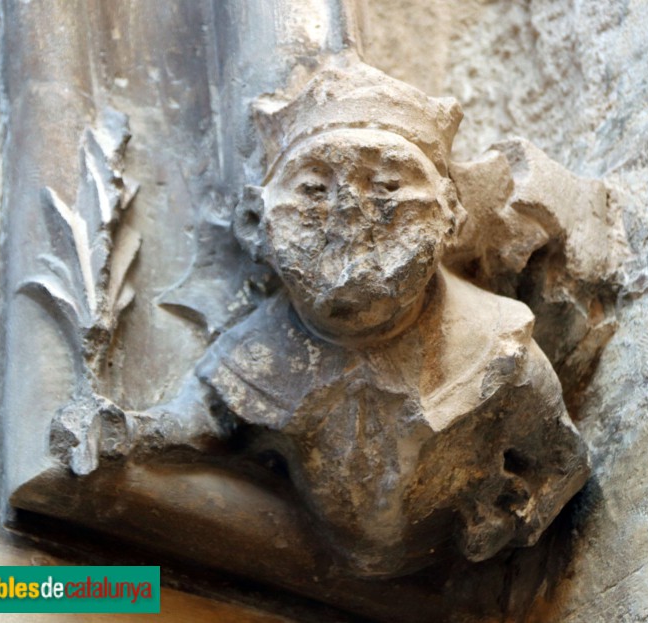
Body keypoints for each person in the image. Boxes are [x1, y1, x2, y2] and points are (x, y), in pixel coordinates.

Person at [196, 58, 589, 578]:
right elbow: (188, 421)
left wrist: (515, 513)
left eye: (387, 187)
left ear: (451, 214)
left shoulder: (495, 351)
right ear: (254, 223)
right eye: (313, 189)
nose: (348, 216)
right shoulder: (250, 358)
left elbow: (562, 459)